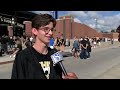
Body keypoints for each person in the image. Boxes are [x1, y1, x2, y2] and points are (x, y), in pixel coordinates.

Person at [11, 14, 78, 79]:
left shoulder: (54, 53)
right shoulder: (23, 56)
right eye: (46, 29)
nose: (50, 33)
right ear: (35, 31)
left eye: (51, 30)